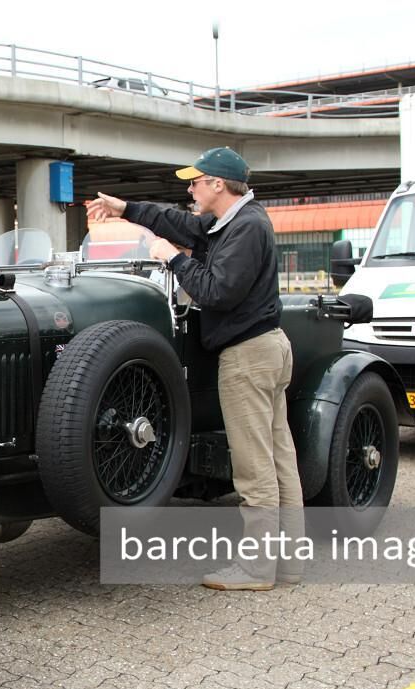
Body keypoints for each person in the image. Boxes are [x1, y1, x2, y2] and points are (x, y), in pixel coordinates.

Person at [87, 146, 304, 591]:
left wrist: (173, 257)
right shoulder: (233, 221)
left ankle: (258, 569)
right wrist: (125, 208)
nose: (190, 189)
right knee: (280, 459)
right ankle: (288, 564)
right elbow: (180, 223)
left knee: (254, 467)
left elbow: (215, 291)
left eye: (196, 181)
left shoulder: (245, 228)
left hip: (248, 356)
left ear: (218, 185)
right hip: (267, 348)